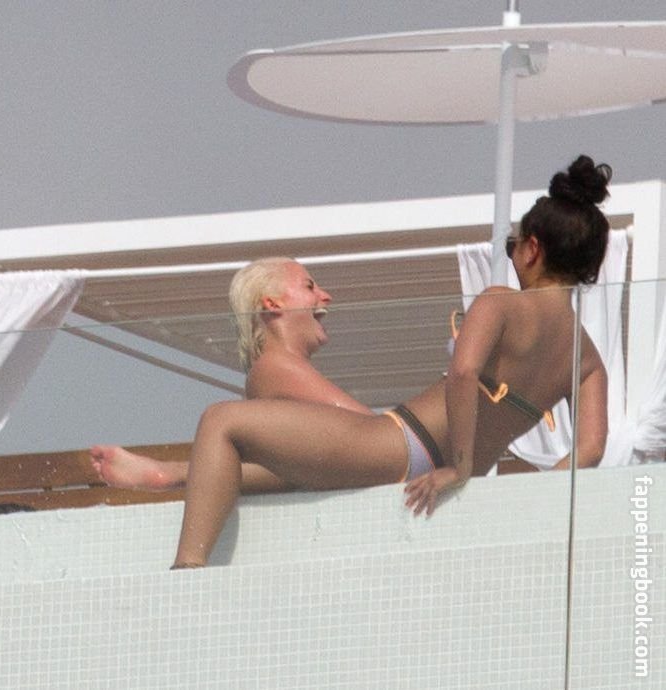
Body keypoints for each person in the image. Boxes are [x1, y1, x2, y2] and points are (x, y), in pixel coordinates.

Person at [134, 155, 610, 569]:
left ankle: (187, 571)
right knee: (277, 456)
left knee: (221, 421)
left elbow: (464, 374)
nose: (511, 255)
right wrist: (526, 499)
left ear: (533, 249)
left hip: (403, 443)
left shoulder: (500, 303)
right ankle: (176, 477)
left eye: (512, 246)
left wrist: (459, 467)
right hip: (434, 468)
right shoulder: (585, 356)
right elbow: (590, 449)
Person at [90, 256, 371, 493]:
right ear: (273, 304)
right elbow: (374, 433)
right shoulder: (277, 367)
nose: (326, 296)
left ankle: (171, 473)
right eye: (309, 286)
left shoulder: (271, 369)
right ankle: (172, 473)